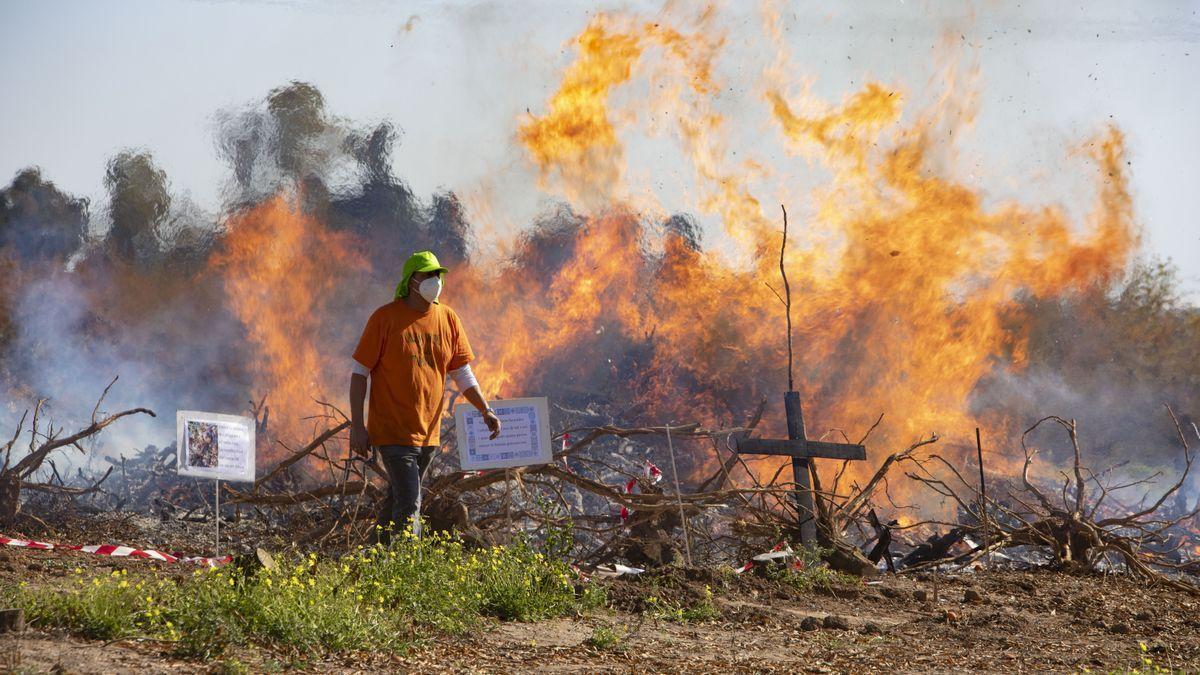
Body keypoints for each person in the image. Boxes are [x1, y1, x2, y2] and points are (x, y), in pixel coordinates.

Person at [349, 250, 500, 543]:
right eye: (428, 275)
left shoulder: (448, 319)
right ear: (411, 281)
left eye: (437, 275)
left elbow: (462, 373)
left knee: (397, 500)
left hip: (428, 434)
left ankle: (370, 563)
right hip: (392, 431)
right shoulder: (385, 318)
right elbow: (359, 374)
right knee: (410, 503)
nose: (435, 281)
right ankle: (410, 572)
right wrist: (357, 425)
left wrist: (485, 409)